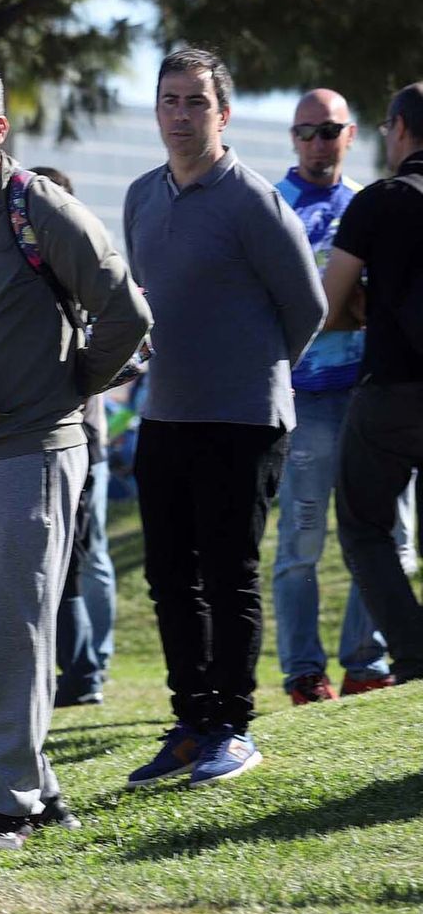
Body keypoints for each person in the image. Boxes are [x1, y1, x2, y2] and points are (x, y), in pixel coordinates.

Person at [0, 61, 151, 849]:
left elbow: (126, 313)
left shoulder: (38, 208)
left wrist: (68, 388)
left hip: (27, 450)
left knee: (9, 629)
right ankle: (38, 786)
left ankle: (7, 806)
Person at [123, 49, 326, 789]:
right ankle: (192, 722)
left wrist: (255, 368)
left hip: (243, 418)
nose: (181, 116)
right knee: (171, 576)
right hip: (165, 413)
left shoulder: (252, 200)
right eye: (170, 101)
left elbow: (308, 307)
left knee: (228, 573)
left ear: (224, 113)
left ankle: (233, 728)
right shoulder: (142, 196)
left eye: (196, 103)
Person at [271, 89, 409, 704]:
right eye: (306, 132)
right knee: (302, 543)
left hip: (368, 392)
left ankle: (365, 661)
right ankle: (304, 672)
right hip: (303, 399)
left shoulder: (370, 203)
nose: (317, 144)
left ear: (352, 135)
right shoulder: (274, 205)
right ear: (293, 138)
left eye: (329, 131)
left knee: (379, 531)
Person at [332, 81, 423, 686]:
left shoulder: (380, 201)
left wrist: (364, 307)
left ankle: (415, 654)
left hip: (392, 390)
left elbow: (329, 304)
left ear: (398, 128)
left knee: (364, 527)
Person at [30, 168, 119, 708]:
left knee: (75, 559)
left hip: (78, 436)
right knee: (80, 557)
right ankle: (86, 667)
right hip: (77, 436)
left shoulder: (74, 269)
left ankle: (85, 670)